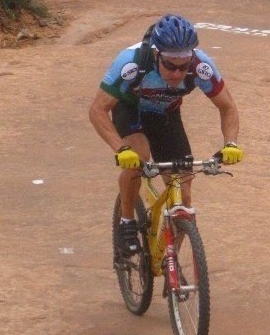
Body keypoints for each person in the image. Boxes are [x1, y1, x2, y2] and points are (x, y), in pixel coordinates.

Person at [89, 14, 243, 264]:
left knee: (184, 194)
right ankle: (127, 222)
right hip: (131, 110)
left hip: (166, 115)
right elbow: (97, 109)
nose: (177, 73)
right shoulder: (131, 63)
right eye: (170, 66)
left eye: (183, 66)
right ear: (157, 54)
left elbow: (227, 106)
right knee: (138, 156)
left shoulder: (201, 66)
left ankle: (170, 264)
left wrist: (231, 143)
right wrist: (120, 148)